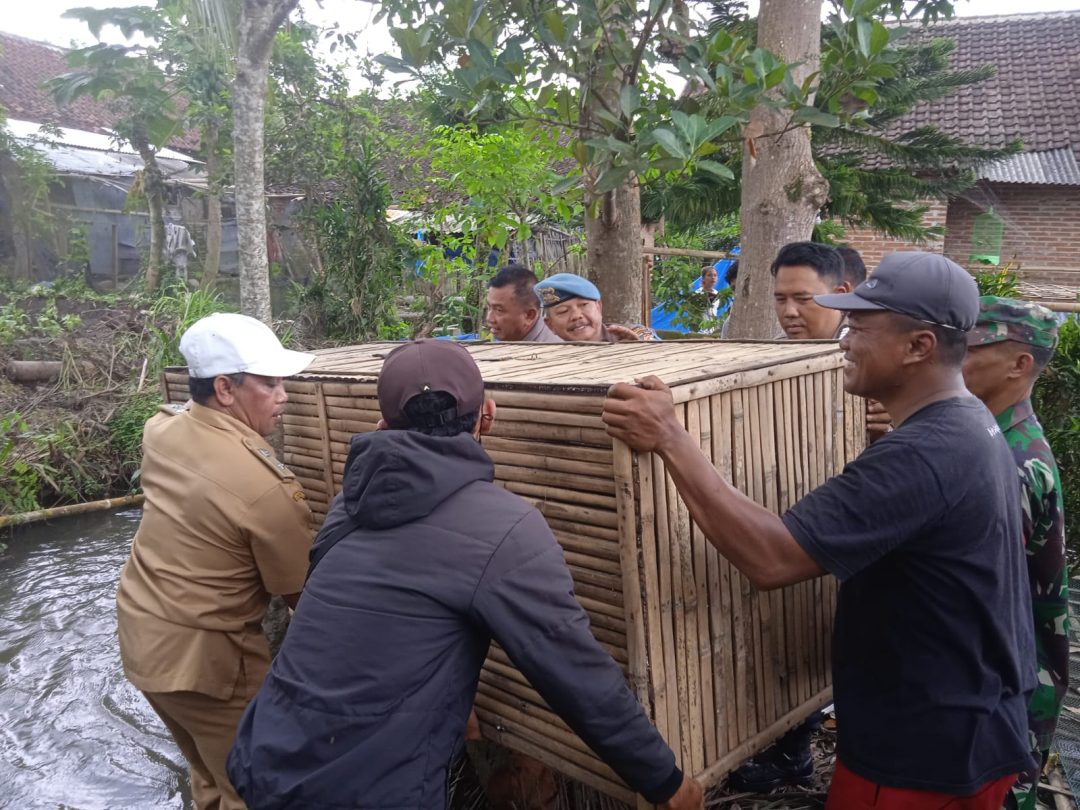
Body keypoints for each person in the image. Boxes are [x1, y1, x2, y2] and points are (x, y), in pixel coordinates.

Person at [602, 252, 1036, 809]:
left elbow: (772, 558)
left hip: (922, 753)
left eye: (859, 325)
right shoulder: (966, 423)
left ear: (918, 346)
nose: (845, 339)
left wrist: (670, 437)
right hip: (962, 727)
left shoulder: (927, 451)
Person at [227, 339, 703, 810]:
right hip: (368, 791)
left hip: (265, 757)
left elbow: (367, 627)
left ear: (382, 425)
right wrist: (665, 782)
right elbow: (576, 675)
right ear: (487, 416)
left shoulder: (347, 509)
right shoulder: (505, 528)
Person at [115, 312, 316, 810]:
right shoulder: (265, 490)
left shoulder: (161, 432)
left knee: (207, 772)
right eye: (270, 383)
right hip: (208, 665)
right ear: (224, 389)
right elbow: (303, 599)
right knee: (257, 786)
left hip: (142, 640)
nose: (284, 394)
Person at [962, 297, 1068, 810]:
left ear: (1020, 365)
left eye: (969, 349)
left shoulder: (1015, 463)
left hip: (1010, 690)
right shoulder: (993, 439)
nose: (953, 360)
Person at [535, 272, 660, 342]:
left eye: (584, 305)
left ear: (599, 307)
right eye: (563, 311)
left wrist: (639, 350)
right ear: (550, 325)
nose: (576, 316)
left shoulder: (639, 335)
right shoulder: (546, 354)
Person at [771, 242, 850, 340]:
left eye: (803, 299)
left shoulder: (865, 350)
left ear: (839, 297)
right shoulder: (776, 349)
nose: (789, 312)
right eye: (781, 299)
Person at [485, 264, 563, 342]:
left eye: (499, 310)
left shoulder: (553, 348)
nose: (489, 318)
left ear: (529, 316)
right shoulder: (508, 337)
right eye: (489, 307)